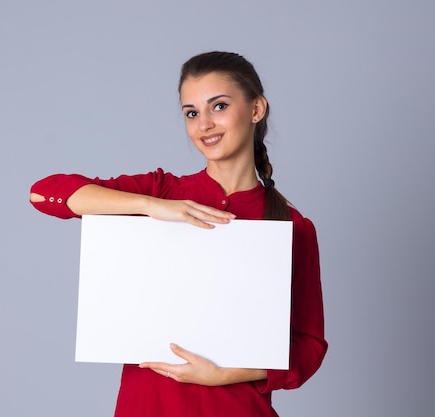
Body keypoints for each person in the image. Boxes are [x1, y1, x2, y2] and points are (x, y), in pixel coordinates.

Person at [29, 51, 327, 417]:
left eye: (218, 106)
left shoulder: (292, 225)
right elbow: (44, 193)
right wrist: (152, 206)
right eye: (191, 113)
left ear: (256, 109)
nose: (204, 125)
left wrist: (225, 374)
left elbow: (309, 347)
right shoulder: (162, 191)